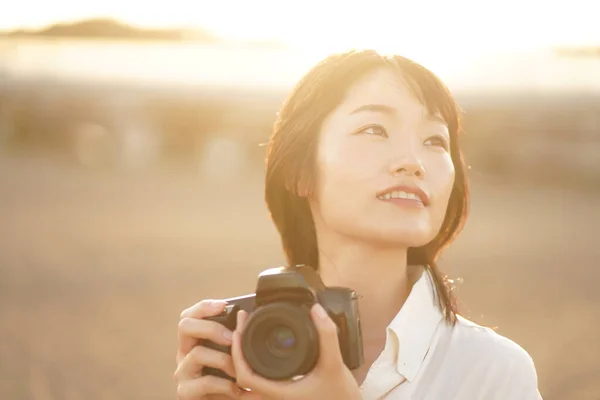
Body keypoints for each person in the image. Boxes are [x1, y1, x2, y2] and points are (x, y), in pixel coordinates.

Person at [174, 49, 542, 399]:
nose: (413, 162)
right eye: (374, 130)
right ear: (300, 171)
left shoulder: (493, 373)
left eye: (434, 139)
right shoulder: (247, 354)